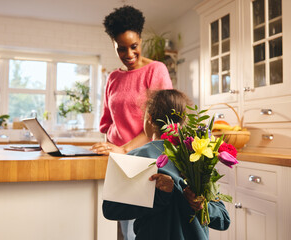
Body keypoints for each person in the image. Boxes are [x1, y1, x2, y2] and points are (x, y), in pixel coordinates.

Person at [102, 89, 230, 240]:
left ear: (149, 118)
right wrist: (202, 206)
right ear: (184, 121)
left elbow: (110, 210)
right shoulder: (200, 157)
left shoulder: (135, 157)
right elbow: (224, 220)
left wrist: (159, 197)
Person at [91, 5, 173, 156]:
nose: (129, 54)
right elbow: (107, 122)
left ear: (141, 40)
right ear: (113, 44)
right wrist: (108, 148)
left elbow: (160, 123)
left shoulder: (156, 70)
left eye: (134, 46)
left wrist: (124, 150)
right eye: (121, 48)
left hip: (144, 157)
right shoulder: (113, 77)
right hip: (115, 156)